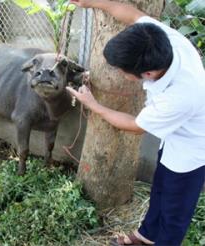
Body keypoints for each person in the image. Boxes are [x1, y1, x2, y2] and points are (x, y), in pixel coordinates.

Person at [67, 0, 205, 245]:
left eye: (122, 70)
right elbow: (132, 14)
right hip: (173, 138)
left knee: (175, 211)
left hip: (192, 151)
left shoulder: (180, 96)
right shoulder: (159, 39)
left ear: (148, 73)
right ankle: (145, 236)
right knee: (160, 189)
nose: (120, 73)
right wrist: (93, 2)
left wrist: (94, 105)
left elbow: (134, 125)